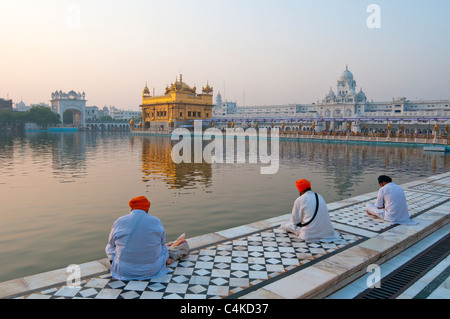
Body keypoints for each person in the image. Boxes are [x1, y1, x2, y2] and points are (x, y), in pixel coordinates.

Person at [105, 196, 169, 280]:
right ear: (147, 209)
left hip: (124, 270)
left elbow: (111, 242)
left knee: (109, 246)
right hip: (152, 270)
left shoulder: (119, 221)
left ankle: (116, 261)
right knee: (163, 247)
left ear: (131, 209)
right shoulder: (156, 221)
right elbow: (163, 242)